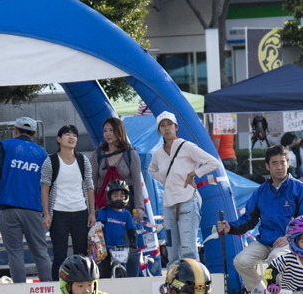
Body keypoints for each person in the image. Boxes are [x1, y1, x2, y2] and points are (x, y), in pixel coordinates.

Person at [218, 145, 303, 294]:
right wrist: (230, 227)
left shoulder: (301, 189)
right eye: (275, 163)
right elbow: (248, 220)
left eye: (283, 162)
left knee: (275, 258)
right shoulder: (260, 192)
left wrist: (289, 237)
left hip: (292, 241)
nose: (279, 167)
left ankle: (284, 293)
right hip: (265, 241)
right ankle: (261, 291)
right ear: (267, 166)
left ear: (288, 164)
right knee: (241, 260)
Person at [148, 111, 221, 262]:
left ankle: (194, 282)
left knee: (188, 249)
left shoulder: (186, 146)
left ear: (176, 127)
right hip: (168, 203)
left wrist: (194, 173)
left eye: (170, 124)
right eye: (162, 125)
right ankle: (174, 283)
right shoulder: (158, 153)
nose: (167, 128)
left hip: (187, 199)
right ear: (159, 130)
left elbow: (213, 162)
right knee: (172, 251)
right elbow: (152, 170)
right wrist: (166, 181)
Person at [0, 116, 51, 282]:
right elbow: (47, 183)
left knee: (15, 253)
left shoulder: (6, 145)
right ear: (33, 133)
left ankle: (20, 292)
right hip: (33, 208)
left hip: (9, 208)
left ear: (15, 131)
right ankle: (50, 290)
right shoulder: (42, 153)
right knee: (40, 252)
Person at [40, 123, 94, 271]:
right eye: (68, 134)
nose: (72, 137)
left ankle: (81, 283)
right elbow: (44, 188)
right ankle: (58, 286)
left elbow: (90, 187)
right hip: (58, 213)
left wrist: (92, 213)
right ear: (58, 139)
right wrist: (46, 214)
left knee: (82, 254)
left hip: (81, 211)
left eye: (75, 135)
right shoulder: (50, 161)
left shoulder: (83, 161)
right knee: (59, 254)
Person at [93, 117, 145, 213]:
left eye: (111, 130)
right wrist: (91, 209)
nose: (108, 134)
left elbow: (137, 182)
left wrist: (139, 207)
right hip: (103, 206)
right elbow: (93, 182)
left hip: (125, 205)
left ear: (119, 131)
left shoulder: (130, 154)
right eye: (105, 131)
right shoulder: (98, 154)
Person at [95, 179, 138, 277]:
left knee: (122, 271)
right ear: (109, 197)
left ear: (126, 197)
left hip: (120, 248)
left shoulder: (126, 214)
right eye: (115, 196)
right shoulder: (104, 211)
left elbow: (131, 230)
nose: (119, 198)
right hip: (106, 248)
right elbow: (99, 228)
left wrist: (133, 244)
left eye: (122, 196)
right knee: (105, 272)